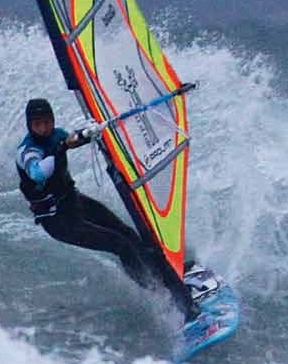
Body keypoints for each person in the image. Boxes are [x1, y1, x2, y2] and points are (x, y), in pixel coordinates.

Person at [16, 98, 195, 316]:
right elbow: (37, 172)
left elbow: (71, 139)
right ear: (30, 125)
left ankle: (166, 275)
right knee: (120, 244)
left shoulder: (57, 134)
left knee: (128, 233)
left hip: (74, 202)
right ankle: (158, 294)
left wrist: (90, 132)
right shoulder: (27, 151)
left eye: (47, 122)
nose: (43, 128)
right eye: (37, 124)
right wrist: (62, 146)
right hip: (58, 221)